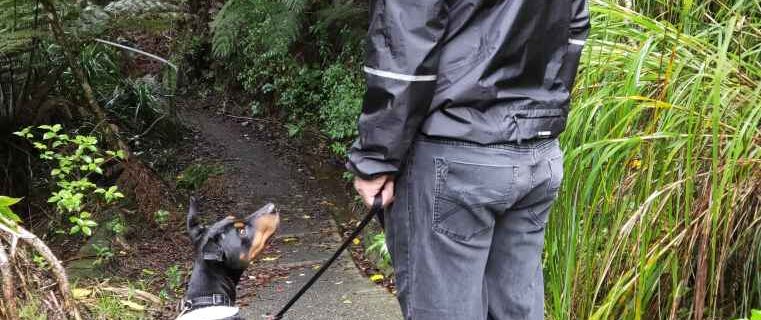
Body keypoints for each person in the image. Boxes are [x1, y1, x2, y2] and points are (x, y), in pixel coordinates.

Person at [348, 0, 590, 319]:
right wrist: (538, 114)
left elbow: (403, 49)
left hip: (456, 159)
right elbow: (574, 30)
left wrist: (377, 157)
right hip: (535, 155)